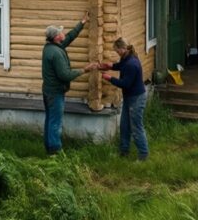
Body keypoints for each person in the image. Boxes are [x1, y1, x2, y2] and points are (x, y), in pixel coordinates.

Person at [42, 11, 91, 155]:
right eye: (61, 32)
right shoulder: (56, 54)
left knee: (50, 120)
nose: (63, 33)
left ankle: (49, 147)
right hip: (55, 93)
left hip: (48, 90)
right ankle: (55, 152)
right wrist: (84, 70)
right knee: (55, 123)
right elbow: (64, 75)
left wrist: (82, 23)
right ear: (57, 37)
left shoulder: (51, 47)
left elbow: (69, 37)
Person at [94, 38, 149, 160]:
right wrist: (110, 66)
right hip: (129, 97)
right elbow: (121, 66)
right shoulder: (126, 58)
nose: (116, 53)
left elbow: (125, 84)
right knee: (124, 126)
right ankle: (124, 151)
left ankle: (143, 154)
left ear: (122, 48)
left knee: (136, 127)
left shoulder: (132, 64)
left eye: (116, 50)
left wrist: (109, 78)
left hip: (137, 98)